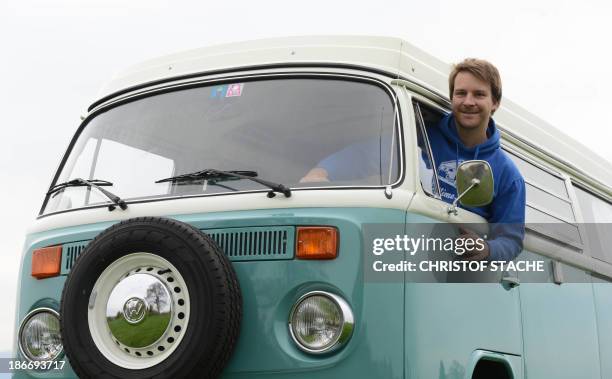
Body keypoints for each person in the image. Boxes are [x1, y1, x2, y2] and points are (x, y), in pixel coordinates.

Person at [301, 58, 525, 262]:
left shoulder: (507, 174)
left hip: (462, 274)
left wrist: (487, 249)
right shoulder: (421, 136)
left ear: (495, 103)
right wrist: (324, 171)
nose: (468, 101)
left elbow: (511, 240)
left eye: (479, 94)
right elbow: (369, 154)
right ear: (452, 97)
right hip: (409, 253)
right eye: (461, 93)